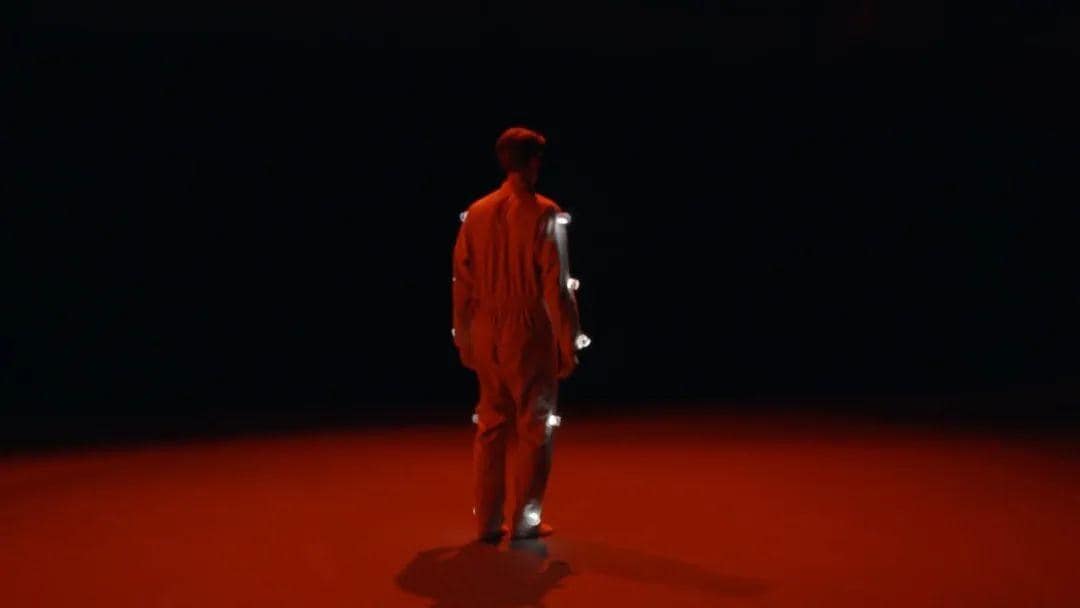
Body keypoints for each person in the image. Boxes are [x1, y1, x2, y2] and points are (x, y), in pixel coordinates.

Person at [452, 127, 581, 542]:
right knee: (533, 423)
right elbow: (556, 285)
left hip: (487, 325)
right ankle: (525, 520)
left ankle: (487, 520)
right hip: (527, 327)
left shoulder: (476, 212)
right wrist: (567, 339)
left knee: (490, 423)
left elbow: (462, 282)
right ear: (533, 162)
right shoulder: (544, 212)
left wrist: (465, 336)